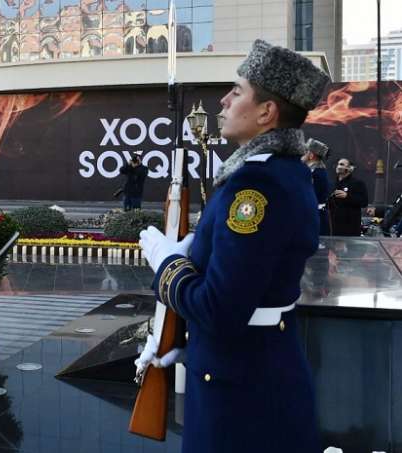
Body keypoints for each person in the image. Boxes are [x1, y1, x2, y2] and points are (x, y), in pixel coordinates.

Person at [137, 40, 330, 453]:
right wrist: (185, 344)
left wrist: (166, 264)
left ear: (266, 112)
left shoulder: (254, 188)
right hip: (249, 374)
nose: (223, 101)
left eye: (237, 90)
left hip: (242, 401)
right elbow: (249, 289)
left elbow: (220, 308)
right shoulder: (282, 174)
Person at [329, 158, 368, 236]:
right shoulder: (332, 183)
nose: (338, 166)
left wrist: (347, 196)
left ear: (350, 168)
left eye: (342, 164)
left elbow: (364, 202)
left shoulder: (358, 183)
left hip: (350, 227)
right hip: (334, 226)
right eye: (338, 164)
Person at [302, 138, 331, 235]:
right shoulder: (313, 171)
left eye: (305, 152)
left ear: (311, 155)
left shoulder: (316, 173)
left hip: (315, 217)